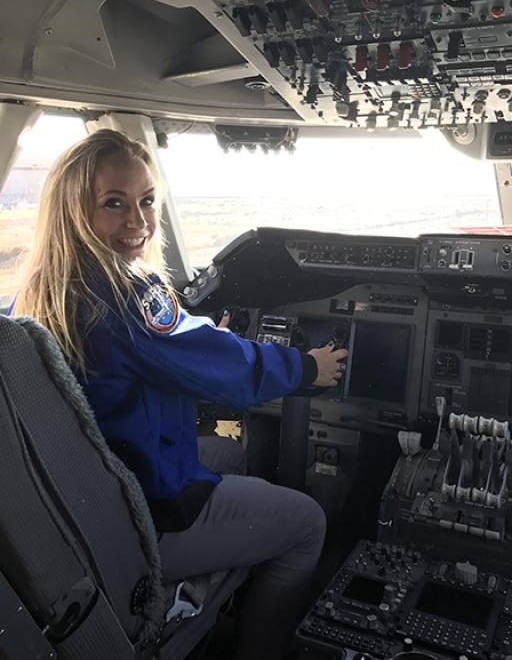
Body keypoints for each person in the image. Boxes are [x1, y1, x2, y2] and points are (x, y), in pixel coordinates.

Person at [12, 129, 348, 660]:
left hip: (94, 491)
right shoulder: (121, 297)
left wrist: (200, 333)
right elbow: (228, 370)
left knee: (231, 452)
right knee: (308, 522)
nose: (139, 221)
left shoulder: (47, 292)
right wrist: (307, 367)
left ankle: (239, 583)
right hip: (140, 520)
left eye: (147, 201)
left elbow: (174, 344)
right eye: (114, 204)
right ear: (73, 212)